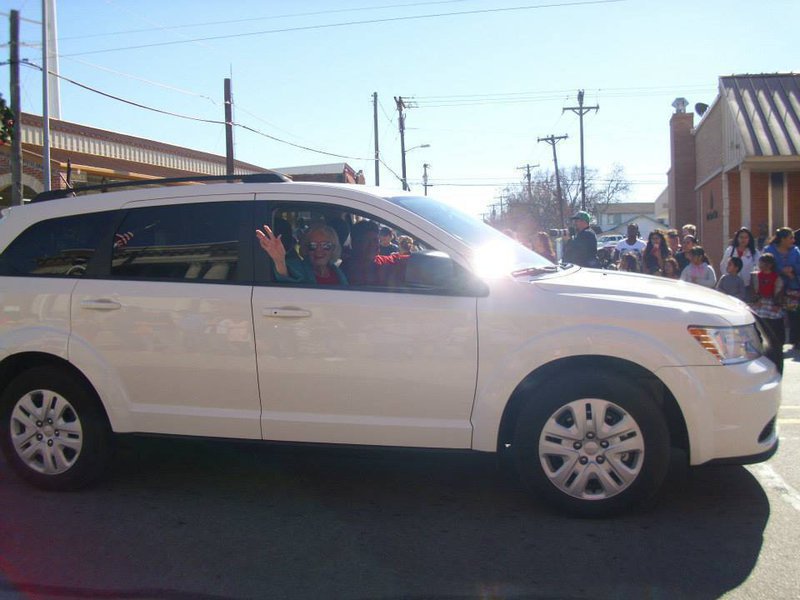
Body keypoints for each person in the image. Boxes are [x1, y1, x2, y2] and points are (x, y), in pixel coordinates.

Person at [256, 222, 348, 285]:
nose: (319, 250)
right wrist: (279, 260)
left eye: (326, 245)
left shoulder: (337, 272)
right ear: (306, 248)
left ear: (333, 248)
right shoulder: (298, 267)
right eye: (313, 245)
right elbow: (286, 278)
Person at [341, 220, 409, 286]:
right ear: (355, 243)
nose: (374, 245)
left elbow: (412, 260)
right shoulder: (343, 272)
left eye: (376, 240)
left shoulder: (383, 262)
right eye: (367, 241)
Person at [763, 227, 800, 348]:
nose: (793, 240)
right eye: (790, 238)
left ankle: (795, 340)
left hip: (792, 289)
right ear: (782, 239)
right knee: (775, 316)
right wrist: (781, 270)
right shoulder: (769, 250)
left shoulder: (795, 251)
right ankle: (776, 341)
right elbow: (764, 265)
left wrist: (793, 269)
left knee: (794, 315)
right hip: (774, 288)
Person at [751, 252, 785, 347]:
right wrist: (755, 300)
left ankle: (774, 345)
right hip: (760, 302)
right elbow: (752, 290)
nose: (761, 265)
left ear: (770, 265)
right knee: (757, 322)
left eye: (763, 263)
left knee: (774, 324)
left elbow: (779, 292)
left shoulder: (777, 277)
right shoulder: (755, 276)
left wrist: (777, 304)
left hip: (772, 303)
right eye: (760, 262)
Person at [720, 227, 759, 294]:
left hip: (748, 286)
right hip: (731, 285)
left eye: (746, 237)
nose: (743, 240)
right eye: (741, 237)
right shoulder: (730, 250)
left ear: (749, 239)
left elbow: (758, 268)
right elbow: (723, 266)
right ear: (737, 238)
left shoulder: (754, 253)